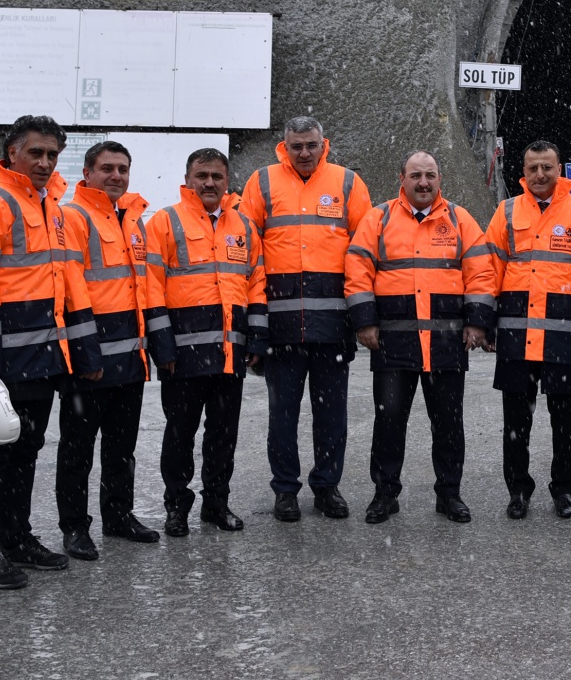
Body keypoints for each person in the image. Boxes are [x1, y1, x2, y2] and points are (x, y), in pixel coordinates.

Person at [0, 115, 102, 588]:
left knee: (26, 450)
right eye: (35, 153)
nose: (44, 162)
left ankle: (18, 536)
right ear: (11, 152)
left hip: (46, 355)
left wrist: (82, 349)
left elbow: (69, 281)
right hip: (6, 358)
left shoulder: (54, 207)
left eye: (51, 154)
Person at [345, 151, 496, 523]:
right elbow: (357, 269)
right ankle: (385, 494)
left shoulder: (459, 220)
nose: (423, 182)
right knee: (389, 423)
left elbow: (481, 274)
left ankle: (449, 494)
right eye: (416, 175)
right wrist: (364, 322)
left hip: (447, 345)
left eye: (430, 175)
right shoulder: (378, 218)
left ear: (439, 178)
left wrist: (477, 323)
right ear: (402, 178)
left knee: (448, 424)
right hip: (393, 345)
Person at [239, 117, 373, 521]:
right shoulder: (261, 183)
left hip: (333, 328)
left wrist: (360, 316)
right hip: (281, 328)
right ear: (284, 146)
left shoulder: (348, 183)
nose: (304, 153)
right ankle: (285, 491)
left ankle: (327, 486)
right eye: (296, 146)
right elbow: (249, 256)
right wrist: (256, 325)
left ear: (323, 144)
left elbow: (364, 252)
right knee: (283, 415)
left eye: (311, 145)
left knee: (331, 415)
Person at [146, 148, 268, 534]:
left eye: (216, 176)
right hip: (182, 357)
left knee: (223, 435)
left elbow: (257, 285)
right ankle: (177, 506)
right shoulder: (165, 223)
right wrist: (162, 346)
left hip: (229, 355)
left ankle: (217, 504)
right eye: (202, 176)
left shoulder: (244, 226)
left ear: (227, 180)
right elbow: (152, 288)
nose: (210, 183)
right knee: (180, 434)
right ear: (188, 180)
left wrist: (256, 339)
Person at [485, 140, 571, 519]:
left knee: (563, 421)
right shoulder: (505, 212)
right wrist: (484, 321)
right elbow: (488, 271)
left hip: (564, 337)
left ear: (560, 170)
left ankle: (563, 490)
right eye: (533, 168)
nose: (540, 175)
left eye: (547, 168)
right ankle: (518, 491)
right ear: (523, 170)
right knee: (515, 424)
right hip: (516, 338)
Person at [55, 141, 161, 560]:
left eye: (123, 169)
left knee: (121, 448)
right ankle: (75, 527)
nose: (116, 176)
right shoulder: (74, 216)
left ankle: (119, 517)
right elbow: (71, 287)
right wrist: (86, 354)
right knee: (77, 450)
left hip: (129, 360)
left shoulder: (132, 220)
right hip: (91, 359)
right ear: (87, 172)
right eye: (107, 169)